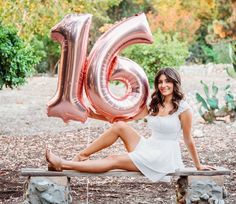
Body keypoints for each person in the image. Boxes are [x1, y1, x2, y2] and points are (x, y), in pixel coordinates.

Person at [46, 67, 214, 182]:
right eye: (160, 82)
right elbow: (121, 120)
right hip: (150, 147)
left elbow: (188, 139)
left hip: (164, 157)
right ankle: (81, 156)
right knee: (120, 126)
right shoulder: (154, 105)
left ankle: (63, 164)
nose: (163, 85)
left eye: (167, 82)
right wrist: (92, 115)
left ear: (175, 83)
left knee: (114, 159)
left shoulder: (183, 109)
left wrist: (198, 166)